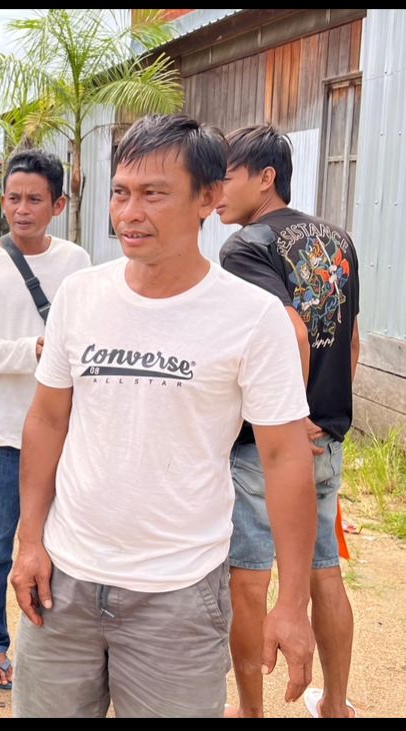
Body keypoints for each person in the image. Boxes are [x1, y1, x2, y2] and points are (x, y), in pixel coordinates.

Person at [11, 114, 318, 717]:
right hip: (64, 582)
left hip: (178, 596)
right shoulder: (82, 296)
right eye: (122, 193)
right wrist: (29, 540)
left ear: (208, 198)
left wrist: (293, 602)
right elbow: (47, 421)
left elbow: (285, 458)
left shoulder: (252, 317)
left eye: (154, 194)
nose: (130, 213)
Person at [217, 124, 360, 719]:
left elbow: (291, 330)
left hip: (267, 448)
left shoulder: (245, 246)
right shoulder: (338, 238)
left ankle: (250, 711)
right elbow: (349, 339)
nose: (216, 189)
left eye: (226, 176)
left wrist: (289, 416)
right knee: (323, 572)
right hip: (326, 438)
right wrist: (324, 414)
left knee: (250, 580)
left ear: (265, 177)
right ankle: (334, 706)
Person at [0, 150, 90, 690]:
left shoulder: (77, 262)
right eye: (13, 198)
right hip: (3, 433)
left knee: (68, 543)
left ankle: (58, 641)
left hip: (67, 436)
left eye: (33, 199)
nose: (21, 210)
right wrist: (30, 350)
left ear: (58, 204)